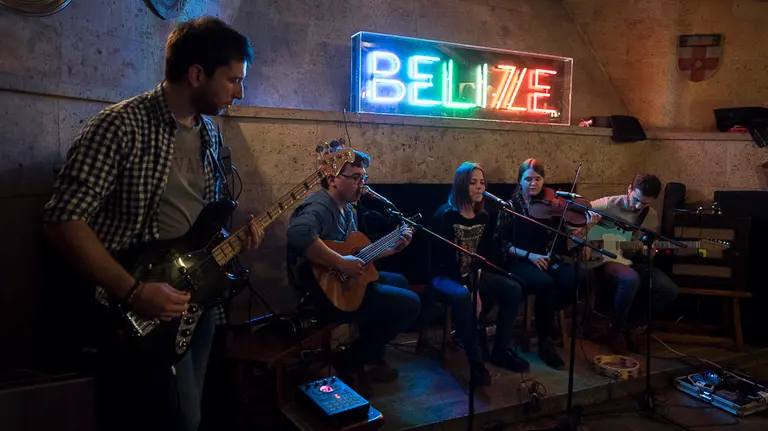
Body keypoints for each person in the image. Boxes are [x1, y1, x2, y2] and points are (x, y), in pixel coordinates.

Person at [41, 17, 263, 431]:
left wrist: (234, 242)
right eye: (233, 80)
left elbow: (199, 223)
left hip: (195, 299)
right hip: (134, 307)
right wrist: (134, 290)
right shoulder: (120, 125)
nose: (239, 92)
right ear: (197, 74)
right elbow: (63, 220)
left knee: (195, 413)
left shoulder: (210, 134)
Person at [286, 149, 421, 397]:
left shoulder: (347, 209)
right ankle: (350, 361)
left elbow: (358, 256)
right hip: (320, 294)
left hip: (342, 283)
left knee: (400, 281)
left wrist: (393, 248)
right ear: (332, 179)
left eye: (364, 178)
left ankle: (367, 358)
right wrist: (338, 262)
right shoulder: (319, 207)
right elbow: (298, 235)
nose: (362, 185)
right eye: (356, 178)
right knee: (409, 304)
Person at [430, 162, 528, 385]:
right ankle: (475, 362)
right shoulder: (446, 216)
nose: (479, 187)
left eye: (482, 183)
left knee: (513, 288)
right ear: (462, 185)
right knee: (464, 297)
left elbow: (482, 257)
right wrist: (471, 290)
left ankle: (501, 349)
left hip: (472, 275)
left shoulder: (483, 217)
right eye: (473, 182)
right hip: (446, 277)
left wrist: (476, 286)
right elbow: (443, 262)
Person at [495, 158, 585, 370]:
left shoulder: (551, 206)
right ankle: (545, 342)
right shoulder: (510, 207)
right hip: (519, 261)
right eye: (528, 179)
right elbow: (501, 243)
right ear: (520, 181)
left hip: (546, 260)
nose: (533, 184)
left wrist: (576, 235)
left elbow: (561, 237)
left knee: (577, 276)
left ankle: (547, 314)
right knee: (545, 284)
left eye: (538, 179)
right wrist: (530, 256)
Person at [590, 174, 680, 354]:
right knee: (630, 280)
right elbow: (575, 216)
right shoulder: (607, 204)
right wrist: (583, 239)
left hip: (631, 259)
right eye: (636, 200)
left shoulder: (651, 216)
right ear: (629, 189)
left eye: (645, 203)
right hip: (605, 259)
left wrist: (648, 251)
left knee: (669, 289)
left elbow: (643, 245)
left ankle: (634, 325)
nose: (639, 206)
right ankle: (615, 331)